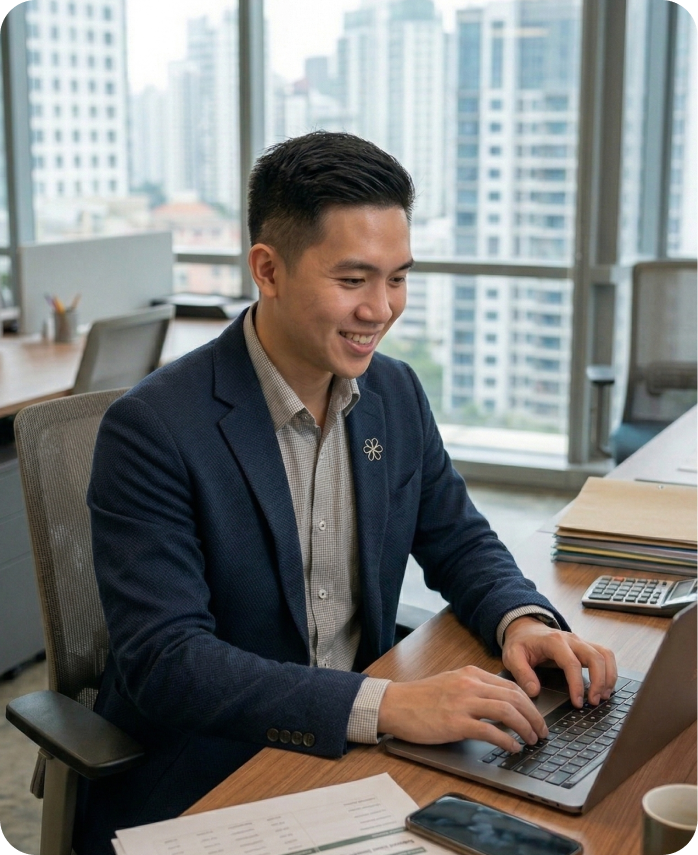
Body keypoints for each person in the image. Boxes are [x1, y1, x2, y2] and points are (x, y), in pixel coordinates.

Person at [77, 131, 616, 852]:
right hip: (215, 766)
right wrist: (389, 704)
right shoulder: (153, 428)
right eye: (354, 279)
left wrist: (523, 622)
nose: (382, 308)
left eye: (398, 277)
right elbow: (168, 662)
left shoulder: (392, 392)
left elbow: (455, 534)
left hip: (363, 752)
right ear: (267, 270)